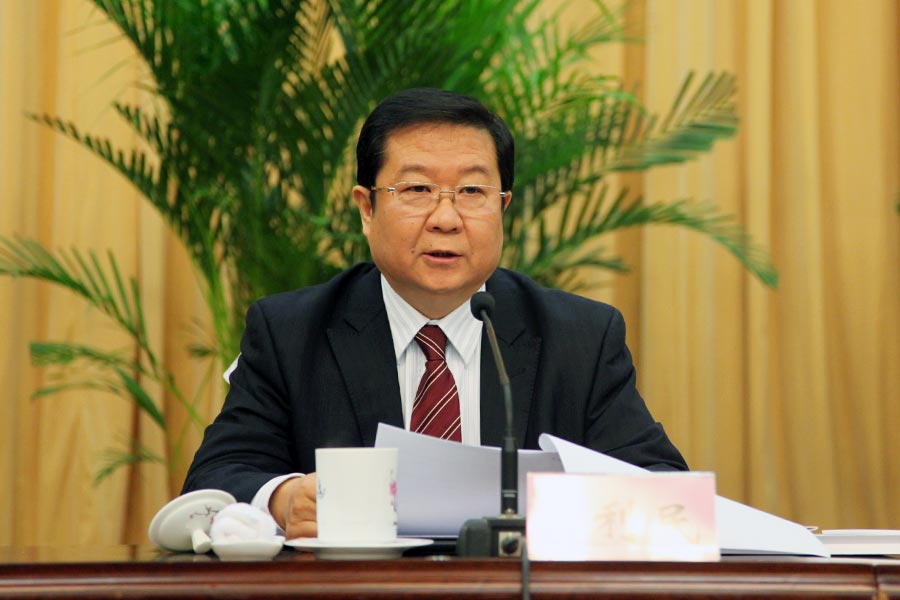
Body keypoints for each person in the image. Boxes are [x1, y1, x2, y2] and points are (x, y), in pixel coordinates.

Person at [182, 88, 687, 540]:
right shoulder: (291, 333)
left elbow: (666, 493)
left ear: (503, 207)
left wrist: (550, 509)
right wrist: (283, 498)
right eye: (417, 190)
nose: (446, 219)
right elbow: (215, 479)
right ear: (366, 208)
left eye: (472, 192)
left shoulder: (580, 338)